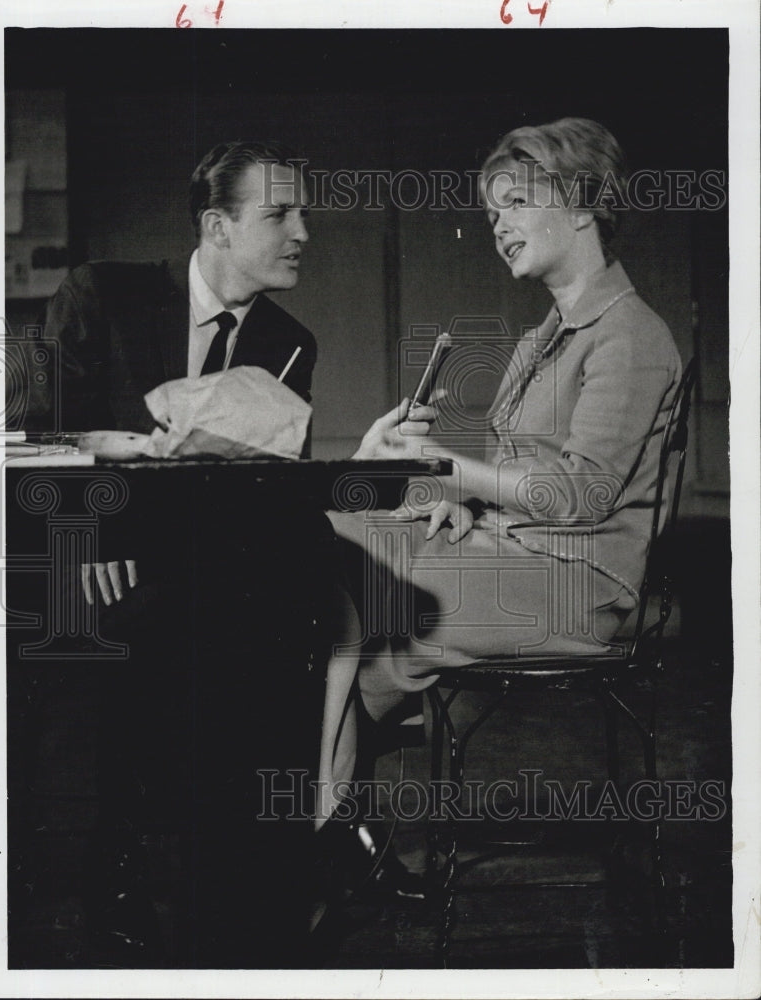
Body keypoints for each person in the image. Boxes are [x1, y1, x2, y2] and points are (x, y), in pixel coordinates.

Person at [325, 117, 682, 833]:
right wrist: (461, 500)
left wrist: (440, 467)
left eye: (516, 203)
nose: (498, 227)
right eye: (493, 213)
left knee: (372, 608)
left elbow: (578, 495)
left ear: (583, 205)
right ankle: (334, 802)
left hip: (585, 588)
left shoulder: (632, 336)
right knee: (339, 540)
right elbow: (519, 476)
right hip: (517, 556)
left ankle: (327, 816)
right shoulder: (539, 338)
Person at [36, 139, 333, 966]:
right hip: (94, 559)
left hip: (212, 574)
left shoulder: (290, 341)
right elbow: (30, 434)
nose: (303, 231)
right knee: (120, 680)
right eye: (280, 214)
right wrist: (86, 528)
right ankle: (117, 890)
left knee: (278, 632)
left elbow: (266, 481)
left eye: (302, 211)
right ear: (217, 225)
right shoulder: (102, 293)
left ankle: (249, 902)